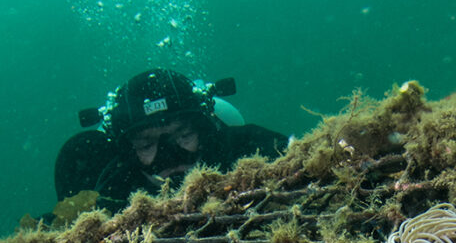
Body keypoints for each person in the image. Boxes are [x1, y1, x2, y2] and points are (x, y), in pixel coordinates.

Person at [54, 68, 288, 211]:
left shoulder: (245, 147)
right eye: (146, 145)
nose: (170, 157)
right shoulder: (111, 191)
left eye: (184, 135)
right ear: (128, 152)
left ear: (204, 131)